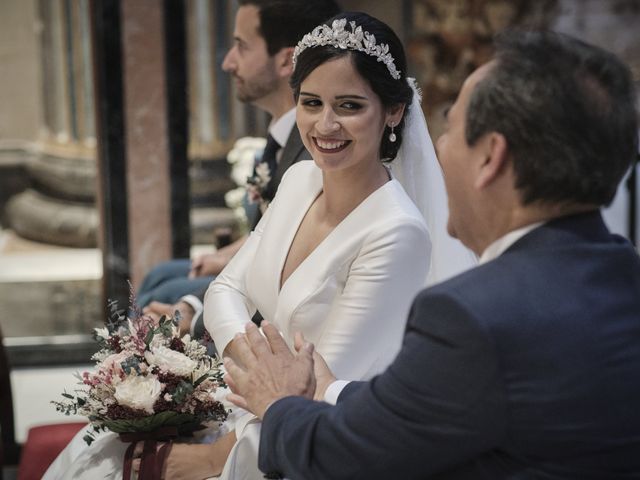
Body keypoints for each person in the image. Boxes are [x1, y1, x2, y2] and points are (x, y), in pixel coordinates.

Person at [44, 11, 475, 480]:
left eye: (349, 106)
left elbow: (315, 384)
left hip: (309, 439)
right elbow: (224, 289)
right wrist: (255, 374)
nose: (325, 125)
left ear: (392, 112)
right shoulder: (299, 179)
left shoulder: (397, 231)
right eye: (311, 103)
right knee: (95, 454)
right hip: (253, 402)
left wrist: (219, 452)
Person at [223, 30, 640, 479]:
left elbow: (344, 457)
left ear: (490, 158)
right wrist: (334, 390)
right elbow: (447, 406)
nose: (437, 147)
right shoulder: (624, 274)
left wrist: (279, 402)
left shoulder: (471, 315)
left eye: (452, 128)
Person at [138, 0, 341, 336]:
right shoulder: (281, 137)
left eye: (241, 47)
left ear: (286, 60)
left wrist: (193, 304)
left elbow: (286, 256)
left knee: (163, 292)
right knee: (161, 275)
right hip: (258, 269)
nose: (227, 62)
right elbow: (267, 230)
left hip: (281, 299)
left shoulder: (316, 153)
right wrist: (229, 254)